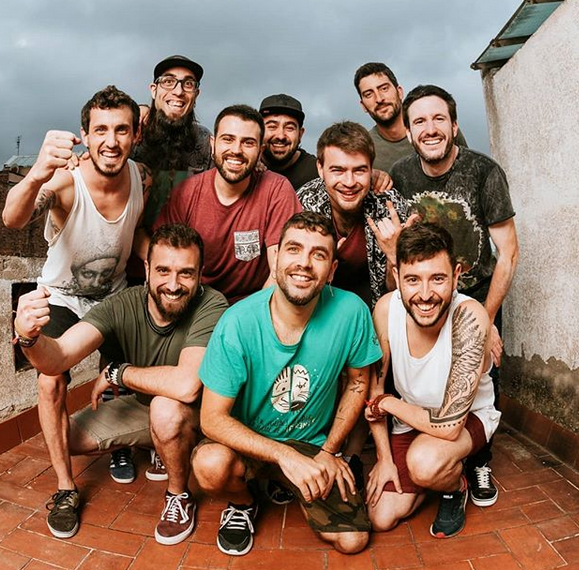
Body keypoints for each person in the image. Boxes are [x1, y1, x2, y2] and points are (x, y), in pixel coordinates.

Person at [12, 224, 228, 544]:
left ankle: (178, 495)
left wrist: (118, 373)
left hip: (196, 413)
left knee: (167, 408)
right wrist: (29, 337)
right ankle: (161, 444)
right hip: (144, 407)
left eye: (186, 273)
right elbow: (58, 358)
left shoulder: (212, 304)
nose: (173, 285)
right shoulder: (122, 304)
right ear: (147, 269)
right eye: (164, 271)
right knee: (65, 438)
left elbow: (187, 386)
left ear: (200, 274)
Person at [192, 212, 382, 556]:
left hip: (311, 443)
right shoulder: (237, 322)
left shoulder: (351, 311)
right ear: (275, 258)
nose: (304, 263)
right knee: (210, 466)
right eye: (294, 249)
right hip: (249, 441)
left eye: (318, 254)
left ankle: (283, 479)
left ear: (332, 271)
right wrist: (284, 456)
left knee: (353, 540)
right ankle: (244, 502)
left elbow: (358, 383)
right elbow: (211, 419)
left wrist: (329, 452)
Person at [2, 85, 152, 511]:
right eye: (100, 130)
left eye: (121, 129)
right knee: (50, 380)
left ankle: (120, 445)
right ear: (85, 135)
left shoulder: (141, 178)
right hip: (62, 297)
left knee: (125, 374)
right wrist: (36, 173)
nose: (111, 141)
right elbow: (12, 219)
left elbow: (134, 230)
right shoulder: (66, 182)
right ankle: (66, 486)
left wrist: (154, 256)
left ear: (135, 135)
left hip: (114, 296)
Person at [390, 84, 519, 506]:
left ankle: (480, 460)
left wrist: (486, 319)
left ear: (454, 124)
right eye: (420, 121)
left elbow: (508, 253)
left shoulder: (484, 172)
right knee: (430, 379)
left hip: (477, 297)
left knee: (483, 379)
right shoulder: (401, 175)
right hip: (426, 297)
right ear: (409, 132)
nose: (430, 128)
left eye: (438, 119)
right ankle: (437, 454)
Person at [366, 222, 501, 539]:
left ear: (456, 276)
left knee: (424, 462)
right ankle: (433, 474)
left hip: (466, 418)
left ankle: (454, 486)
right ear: (397, 276)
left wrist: (389, 404)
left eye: (438, 279)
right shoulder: (385, 309)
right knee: (380, 517)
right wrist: (385, 459)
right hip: (412, 419)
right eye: (413, 280)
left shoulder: (470, 317)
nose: (425, 295)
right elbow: (375, 389)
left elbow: (449, 426)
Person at [153, 104, 302, 304]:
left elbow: (279, 270)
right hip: (195, 301)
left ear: (260, 151)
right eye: (228, 139)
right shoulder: (186, 192)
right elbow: (165, 261)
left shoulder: (277, 189)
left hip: (254, 303)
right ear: (213, 144)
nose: (236, 150)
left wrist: (246, 315)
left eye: (248, 143)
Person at [297, 121, 413, 308]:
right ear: (320, 168)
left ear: (371, 169)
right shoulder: (304, 203)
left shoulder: (389, 205)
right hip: (319, 310)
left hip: (377, 311)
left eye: (359, 170)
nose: (349, 182)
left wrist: (394, 255)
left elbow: (400, 296)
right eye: (338, 170)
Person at [133, 55, 213, 229]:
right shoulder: (132, 133)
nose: (178, 91)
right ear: (153, 90)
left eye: (188, 84)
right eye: (168, 82)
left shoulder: (206, 142)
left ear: (196, 94)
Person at [354, 63, 467, 173]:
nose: (379, 99)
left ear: (399, 92)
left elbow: (470, 168)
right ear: (363, 105)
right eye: (368, 94)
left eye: (384, 89)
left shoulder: (441, 130)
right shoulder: (364, 147)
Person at [259, 94, 318, 190]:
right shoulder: (246, 168)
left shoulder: (317, 173)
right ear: (259, 131)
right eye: (272, 127)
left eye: (289, 128)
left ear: (300, 134)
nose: (281, 136)